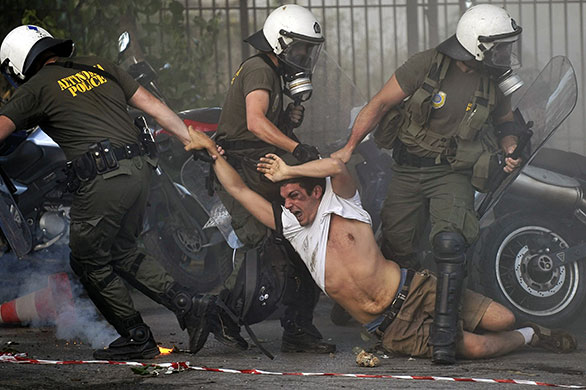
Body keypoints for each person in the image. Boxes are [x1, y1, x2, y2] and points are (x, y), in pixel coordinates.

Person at [184, 126, 577, 361]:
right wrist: (212, 152)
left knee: (502, 319)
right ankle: (532, 337)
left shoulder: (345, 204)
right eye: (284, 199)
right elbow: (235, 188)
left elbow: (337, 166)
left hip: (417, 290)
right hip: (389, 329)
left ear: (315, 192)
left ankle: (528, 329)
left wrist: (288, 169)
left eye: (295, 196)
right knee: (470, 348)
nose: (288, 205)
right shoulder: (293, 229)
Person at [0, 25, 226, 360]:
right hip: (140, 170)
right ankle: (191, 304)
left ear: (16, 66)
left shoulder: (34, 88)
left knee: (87, 259)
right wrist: (189, 136)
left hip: (104, 177)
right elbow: (152, 105)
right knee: (121, 252)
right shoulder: (97, 66)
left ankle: (137, 336)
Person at [331, 4, 525, 364]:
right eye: (498, 47)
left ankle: (445, 336)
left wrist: (511, 149)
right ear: (476, 44)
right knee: (396, 245)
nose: (505, 54)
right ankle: (390, 323)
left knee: (450, 242)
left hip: (451, 173)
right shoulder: (427, 64)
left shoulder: (496, 80)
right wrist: (348, 147)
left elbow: (506, 123)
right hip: (406, 170)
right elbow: (378, 104)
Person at [209, 4, 334, 353]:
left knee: (299, 236)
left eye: (309, 48)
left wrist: (289, 121)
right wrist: (297, 145)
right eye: (301, 47)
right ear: (280, 42)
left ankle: (298, 328)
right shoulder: (258, 69)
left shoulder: (277, 74)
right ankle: (222, 315)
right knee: (262, 241)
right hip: (239, 167)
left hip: (261, 164)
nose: (305, 54)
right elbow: (254, 123)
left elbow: (267, 129)